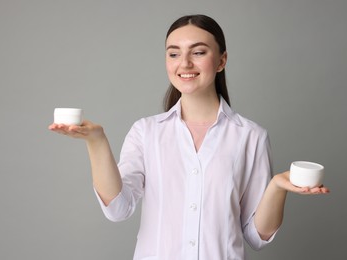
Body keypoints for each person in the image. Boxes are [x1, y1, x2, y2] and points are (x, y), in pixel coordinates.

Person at [49, 14, 329, 260]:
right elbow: (118, 208)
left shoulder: (251, 136)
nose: (184, 63)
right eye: (173, 53)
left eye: (198, 52)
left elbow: (257, 236)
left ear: (221, 61)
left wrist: (277, 187)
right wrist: (96, 142)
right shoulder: (146, 132)